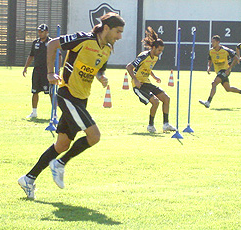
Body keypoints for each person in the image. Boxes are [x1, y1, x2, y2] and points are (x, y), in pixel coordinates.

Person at [18, 12, 125, 199]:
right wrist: (51, 73)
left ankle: (28, 178)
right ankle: (60, 164)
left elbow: (98, 68)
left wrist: (101, 77)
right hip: (67, 95)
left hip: (82, 98)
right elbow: (53, 44)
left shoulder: (107, 48)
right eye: (118, 31)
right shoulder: (84, 39)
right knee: (94, 136)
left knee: (62, 144)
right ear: (106, 28)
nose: (120, 36)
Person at [126, 27, 176, 133]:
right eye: (159, 50)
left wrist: (154, 77)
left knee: (166, 99)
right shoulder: (144, 55)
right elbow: (129, 67)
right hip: (139, 85)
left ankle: (166, 124)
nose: (160, 52)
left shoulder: (155, 57)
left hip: (147, 83)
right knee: (155, 102)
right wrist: (135, 80)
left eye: (161, 51)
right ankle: (150, 125)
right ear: (153, 48)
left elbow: (147, 68)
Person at [199, 35, 241, 108]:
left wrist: (229, 69)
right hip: (219, 71)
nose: (212, 43)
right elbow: (210, 60)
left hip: (225, 70)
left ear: (218, 42)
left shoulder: (225, 50)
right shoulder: (211, 51)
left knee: (214, 83)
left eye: (213, 42)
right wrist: (209, 67)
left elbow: (236, 58)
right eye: (212, 41)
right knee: (228, 88)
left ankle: (208, 102)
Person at [23, 24, 53, 118]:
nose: (40, 33)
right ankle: (34, 112)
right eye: (39, 31)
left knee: (50, 92)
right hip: (37, 70)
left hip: (47, 71)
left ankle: (54, 113)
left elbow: (58, 56)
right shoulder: (35, 42)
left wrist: (56, 70)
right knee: (34, 91)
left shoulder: (51, 42)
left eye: (42, 31)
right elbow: (31, 55)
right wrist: (25, 67)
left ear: (47, 32)